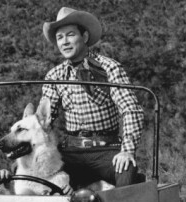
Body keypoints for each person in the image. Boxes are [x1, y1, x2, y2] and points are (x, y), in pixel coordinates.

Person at [40, 7, 145, 188]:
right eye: (59, 37)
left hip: (106, 149)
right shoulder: (54, 76)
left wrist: (127, 151)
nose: (64, 42)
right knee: (43, 176)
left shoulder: (110, 67)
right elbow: (44, 120)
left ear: (85, 37)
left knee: (126, 170)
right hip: (72, 151)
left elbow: (131, 109)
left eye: (70, 35)